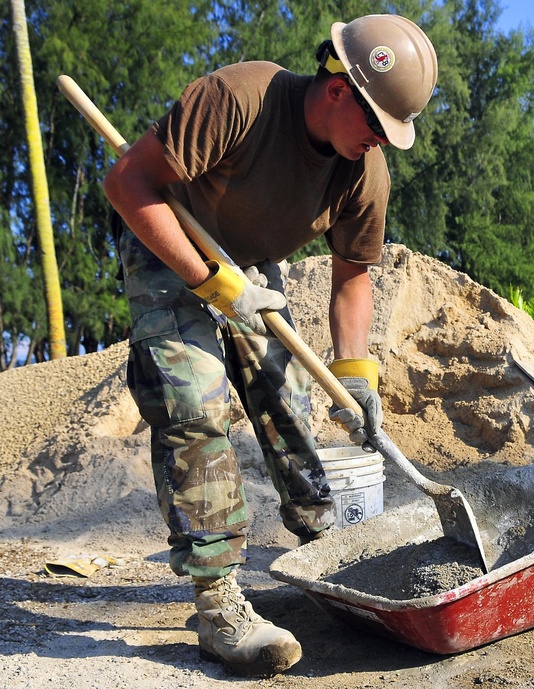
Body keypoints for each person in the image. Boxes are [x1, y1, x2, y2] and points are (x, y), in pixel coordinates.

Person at [101, 14, 437, 677]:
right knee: (195, 408)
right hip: (172, 253)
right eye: (375, 127)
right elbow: (126, 184)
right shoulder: (238, 100)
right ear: (338, 87)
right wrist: (211, 282)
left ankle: (329, 552)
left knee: (289, 399)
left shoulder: (363, 171)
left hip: (252, 271)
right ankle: (219, 604)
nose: (378, 144)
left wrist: (356, 374)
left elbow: (352, 277)